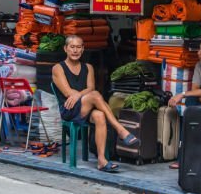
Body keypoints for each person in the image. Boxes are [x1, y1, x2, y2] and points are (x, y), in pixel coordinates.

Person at [52, 35, 139, 173]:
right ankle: (120, 129)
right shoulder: (58, 68)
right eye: (72, 47)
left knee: (99, 115)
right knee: (95, 95)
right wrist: (84, 93)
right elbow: (69, 93)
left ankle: (101, 160)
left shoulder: (88, 67)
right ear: (65, 49)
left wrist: (80, 94)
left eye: (79, 47)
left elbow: (91, 87)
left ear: (83, 49)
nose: (75, 50)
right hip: (69, 109)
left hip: (86, 107)